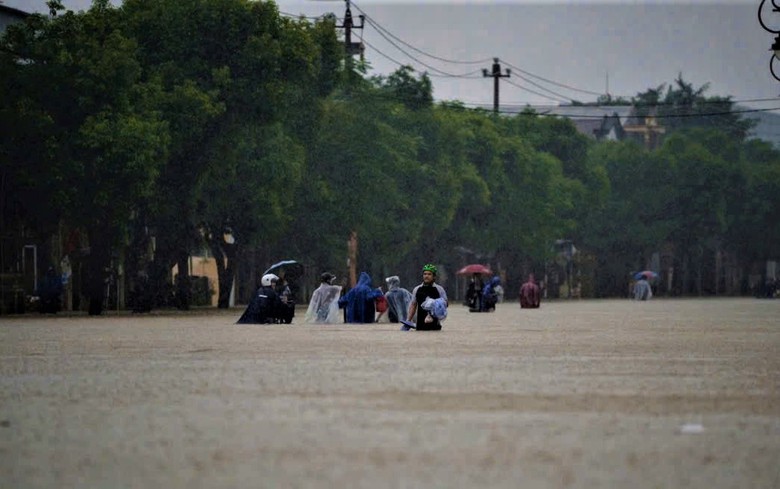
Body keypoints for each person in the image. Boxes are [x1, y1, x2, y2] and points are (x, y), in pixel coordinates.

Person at [407, 264, 449, 331]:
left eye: (429, 274)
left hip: (435, 327)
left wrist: (436, 304)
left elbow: (446, 304)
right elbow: (413, 305)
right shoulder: (417, 289)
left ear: (434, 276)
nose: (426, 276)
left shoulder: (439, 289)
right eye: (425, 274)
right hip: (420, 326)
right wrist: (408, 321)